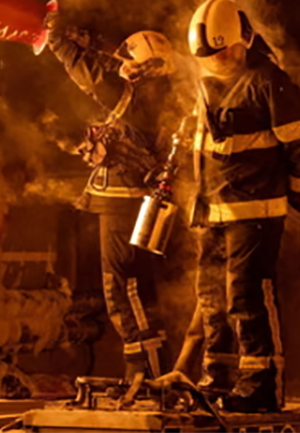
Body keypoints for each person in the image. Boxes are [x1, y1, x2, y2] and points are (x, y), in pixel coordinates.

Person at [186, 0, 300, 413]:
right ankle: (219, 376)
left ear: (238, 42)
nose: (216, 61)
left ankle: (261, 384)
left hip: (256, 212)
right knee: (212, 295)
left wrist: (297, 190)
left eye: (221, 52)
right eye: (208, 56)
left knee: (246, 295)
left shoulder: (267, 81)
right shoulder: (208, 81)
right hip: (213, 209)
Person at [47, 21, 193, 381]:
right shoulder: (158, 95)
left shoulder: (136, 98)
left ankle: (147, 375)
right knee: (137, 290)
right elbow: (113, 71)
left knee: (123, 290)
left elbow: (93, 77)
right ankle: (146, 373)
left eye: (128, 62)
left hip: (122, 202)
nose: (122, 66)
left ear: (142, 68)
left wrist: (57, 42)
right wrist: (86, 42)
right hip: (132, 202)